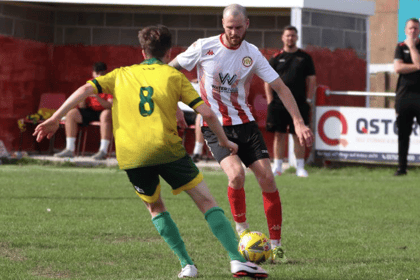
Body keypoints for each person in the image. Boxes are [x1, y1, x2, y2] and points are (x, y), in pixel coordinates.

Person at [33, 25, 268, 279]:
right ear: (169, 52)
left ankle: (186, 265)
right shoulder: (173, 76)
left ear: (143, 51)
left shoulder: (121, 74)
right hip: (166, 149)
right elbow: (208, 113)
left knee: (156, 207)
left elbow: (84, 90)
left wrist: (56, 118)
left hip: (132, 155)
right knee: (206, 202)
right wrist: (225, 142)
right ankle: (237, 259)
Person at [169, 4, 314, 263]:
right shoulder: (204, 46)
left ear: (247, 24)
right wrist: (174, 106)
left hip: (245, 125)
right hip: (214, 127)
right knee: (236, 175)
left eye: (238, 27)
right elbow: (169, 70)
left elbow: (280, 87)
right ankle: (242, 230)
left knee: (268, 179)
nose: (234, 33)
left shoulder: (252, 54)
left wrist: (299, 121)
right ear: (222, 25)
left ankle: (277, 247)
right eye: (229, 28)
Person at [264, 26, 317, 178]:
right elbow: (267, 80)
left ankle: (300, 167)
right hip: (278, 104)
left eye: (293, 36)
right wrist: (270, 101)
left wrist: (308, 99)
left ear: (297, 37)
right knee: (279, 135)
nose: (290, 38)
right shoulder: (275, 57)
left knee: (299, 135)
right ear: (283, 38)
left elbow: (312, 79)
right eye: (287, 36)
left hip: (299, 103)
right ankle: (278, 167)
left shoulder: (305, 58)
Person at [54, 62, 113, 160]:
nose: (99, 76)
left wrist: (97, 97)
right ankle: (70, 149)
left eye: (101, 73)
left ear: (105, 73)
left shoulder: (109, 84)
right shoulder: (89, 84)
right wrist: (82, 101)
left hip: (105, 111)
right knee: (71, 114)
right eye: (97, 73)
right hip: (91, 110)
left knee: (105, 114)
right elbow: (82, 105)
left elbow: (110, 105)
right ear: (93, 73)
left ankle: (103, 151)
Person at [393, 18, 420, 176]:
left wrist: (412, 47)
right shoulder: (400, 47)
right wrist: (415, 66)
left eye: (416, 28)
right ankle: (401, 168)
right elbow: (397, 68)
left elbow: (418, 63)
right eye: (410, 28)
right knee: (403, 134)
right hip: (404, 97)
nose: (413, 31)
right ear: (405, 30)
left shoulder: (414, 46)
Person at [177, 81, 206, 162]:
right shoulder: (180, 81)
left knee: (201, 116)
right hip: (181, 110)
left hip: (195, 112)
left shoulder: (204, 84)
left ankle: (197, 151)